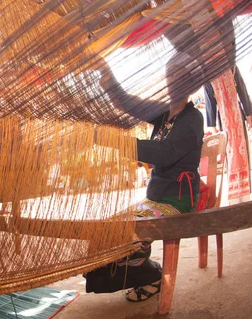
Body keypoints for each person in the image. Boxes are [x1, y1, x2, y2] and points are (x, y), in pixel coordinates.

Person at [85, 56, 204, 302]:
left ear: (190, 83)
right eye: (170, 75)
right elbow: (130, 104)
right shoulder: (164, 115)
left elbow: (165, 153)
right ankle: (145, 274)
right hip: (154, 198)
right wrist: (107, 77)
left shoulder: (193, 119)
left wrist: (119, 143)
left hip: (177, 200)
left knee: (130, 231)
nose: (174, 81)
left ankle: (152, 277)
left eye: (180, 76)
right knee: (106, 228)